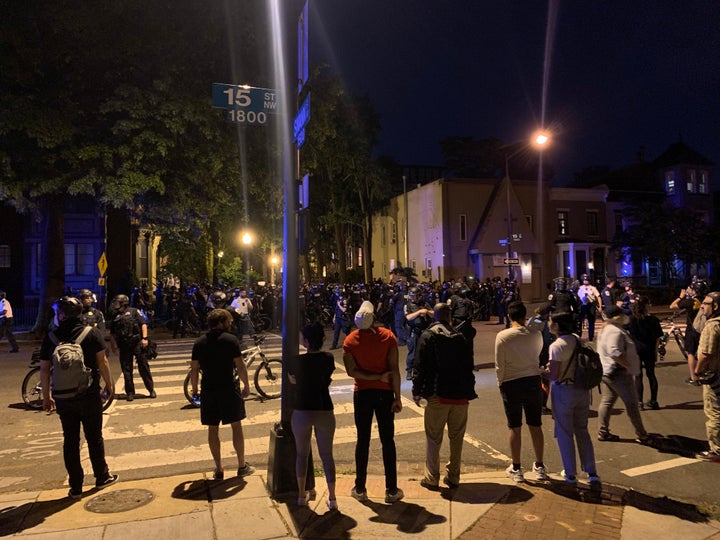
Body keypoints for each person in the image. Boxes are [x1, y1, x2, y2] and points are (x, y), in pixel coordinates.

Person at [39, 296, 118, 499]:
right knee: (94, 437)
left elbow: (45, 369)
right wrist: (109, 386)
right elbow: (104, 362)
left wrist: (47, 396)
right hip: (89, 394)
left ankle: (75, 486)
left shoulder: (51, 336)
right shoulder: (91, 333)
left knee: (70, 440)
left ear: (62, 314)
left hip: (64, 398)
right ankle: (101, 476)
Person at [342, 300, 404, 504]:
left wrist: (372, 378)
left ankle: (360, 487)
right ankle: (391, 489)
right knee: (388, 441)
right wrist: (397, 397)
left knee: (363, 440)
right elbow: (394, 370)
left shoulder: (350, 341)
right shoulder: (388, 337)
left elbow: (352, 371)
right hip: (385, 394)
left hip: (363, 394)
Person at [413, 303, 477, 490]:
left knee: (434, 437)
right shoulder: (460, 337)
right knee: (457, 438)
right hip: (460, 397)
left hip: (437, 394)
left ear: (435, 316)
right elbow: (469, 367)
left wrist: (417, 392)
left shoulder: (428, 336)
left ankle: (432, 477)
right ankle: (454, 475)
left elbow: (419, 367)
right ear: (449, 317)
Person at [190, 309, 255, 479]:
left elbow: (194, 368)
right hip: (228, 388)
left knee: (213, 428)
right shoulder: (231, 340)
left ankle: (219, 469)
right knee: (236, 426)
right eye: (229, 321)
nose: (231, 324)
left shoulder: (199, 343)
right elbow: (240, 365)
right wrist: (246, 384)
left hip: (209, 390)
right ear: (221, 323)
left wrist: (195, 388)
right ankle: (241, 465)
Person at [494, 300, 548, 482]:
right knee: (535, 424)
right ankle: (539, 466)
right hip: (533, 380)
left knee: (514, 426)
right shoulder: (536, 334)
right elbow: (538, 355)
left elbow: (499, 365)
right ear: (525, 316)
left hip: (511, 382)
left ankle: (517, 468)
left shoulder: (503, 336)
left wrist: (501, 382)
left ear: (509, 316)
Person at [287, 323, 337, 509]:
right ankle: (332, 498)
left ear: (306, 341)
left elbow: (293, 382)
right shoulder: (328, 358)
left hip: (301, 410)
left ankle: (301, 496)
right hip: (324, 409)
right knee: (327, 455)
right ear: (322, 339)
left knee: (302, 454)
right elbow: (326, 379)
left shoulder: (295, 361)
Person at [547, 312, 600, 486]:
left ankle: (570, 473)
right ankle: (591, 472)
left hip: (564, 390)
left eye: (551, 322)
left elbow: (554, 374)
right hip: (582, 390)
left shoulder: (556, 346)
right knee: (582, 430)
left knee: (564, 432)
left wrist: (543, 371)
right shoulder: (576, 339)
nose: (549, 324)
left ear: (557, 326)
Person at [596, 305, 652, 444]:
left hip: (607, 371)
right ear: (618, 317)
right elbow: (614, 352)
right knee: (632, 404)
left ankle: (603, 431)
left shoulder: (605, 329)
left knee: (607, 401)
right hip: (618, 373)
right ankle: (642, 434)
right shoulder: (614, 331)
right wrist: (627, 366)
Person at [109, 294, 155, 401]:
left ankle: (151, 389)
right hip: (124, 346)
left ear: (123, 303)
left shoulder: (134, 311)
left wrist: (145, 338)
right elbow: (112, 334)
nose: (115, 305)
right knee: (126, 369)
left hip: (137, 343)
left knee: (143, 366)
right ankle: (130, 392)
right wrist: (113, 346)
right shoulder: (115, 316)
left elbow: (143, 324)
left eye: (117, 302)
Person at [695, 292, 720, 460]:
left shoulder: (712, 326)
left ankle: (716, 450)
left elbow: (706, 353)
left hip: (714, 375)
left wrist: (697, 370)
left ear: (715, 306)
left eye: (706, 303)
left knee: (714, 413)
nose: (702, 306)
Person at [629, 296, 664, 410]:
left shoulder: (632, 320)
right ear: (646, 306)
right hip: (649, 349)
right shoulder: (653, 320)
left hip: (636, 350)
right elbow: (658, 337)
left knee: (638, 376)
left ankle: (639, 402)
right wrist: (656, 351)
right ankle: (654, 401)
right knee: (651, 375)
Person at [670, 280, 707, 386]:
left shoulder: (690, 302)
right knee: (703, 352)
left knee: (691, 353)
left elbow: (672, 306)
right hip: (705, 329)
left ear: (695, 291)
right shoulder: (707, 300)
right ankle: (704, 374)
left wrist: (681, 297)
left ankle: (693, 377)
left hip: (693, 329)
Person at [404, 287, 433, 380]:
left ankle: (425, 370)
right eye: (411, 295)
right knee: (413, 352)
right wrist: (419, 312)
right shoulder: (408, 305)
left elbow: (433, 313)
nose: (412, 297)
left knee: (426, 351)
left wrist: (427, 311)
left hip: (425, 331)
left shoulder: (425, 304)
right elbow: (408, 317)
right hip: (414, 331)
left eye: (414, 295)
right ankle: (409, 371)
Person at [577, 275, 601, 341]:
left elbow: (598, 296)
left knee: (591, 321)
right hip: (582, 305)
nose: (585, 281)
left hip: (591, 305)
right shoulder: (580, 288)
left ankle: (591, 336)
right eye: (584, 280)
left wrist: (600, 306)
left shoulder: (593, 288)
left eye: (587, 280)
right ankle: (579, 336)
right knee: (579, 321)